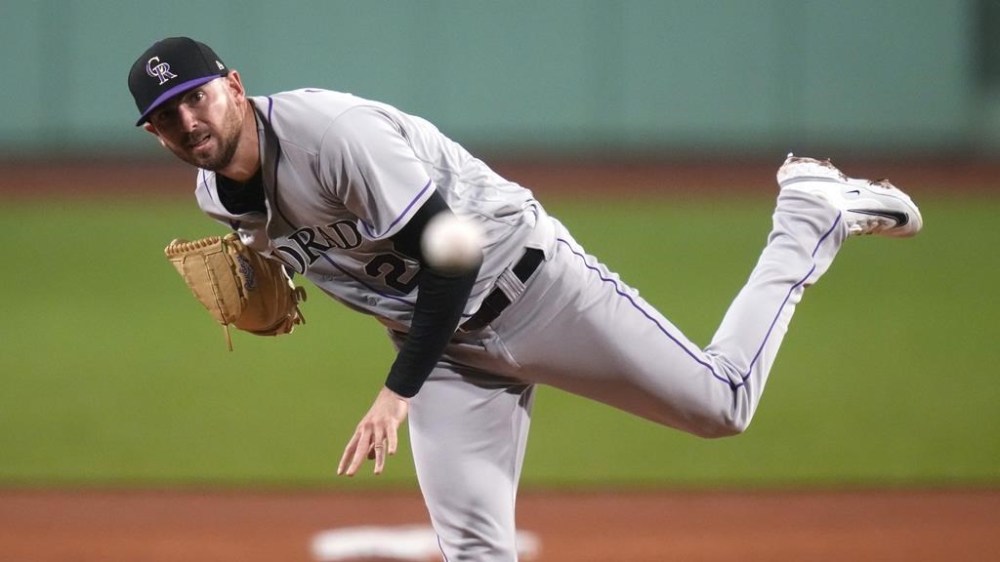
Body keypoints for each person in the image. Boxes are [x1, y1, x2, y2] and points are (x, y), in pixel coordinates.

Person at [129, 37, 923, 561]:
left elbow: (452, 257)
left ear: (234, 86)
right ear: (154, 134)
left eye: (199, 96)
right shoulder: (217, 197)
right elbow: (348, 267)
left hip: (532, 287)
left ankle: (809, 214)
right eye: (168, 116)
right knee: (475, 550)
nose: (189, 119)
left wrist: (395, 394)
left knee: (722, 404)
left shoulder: (333, 135)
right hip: (444, 351)